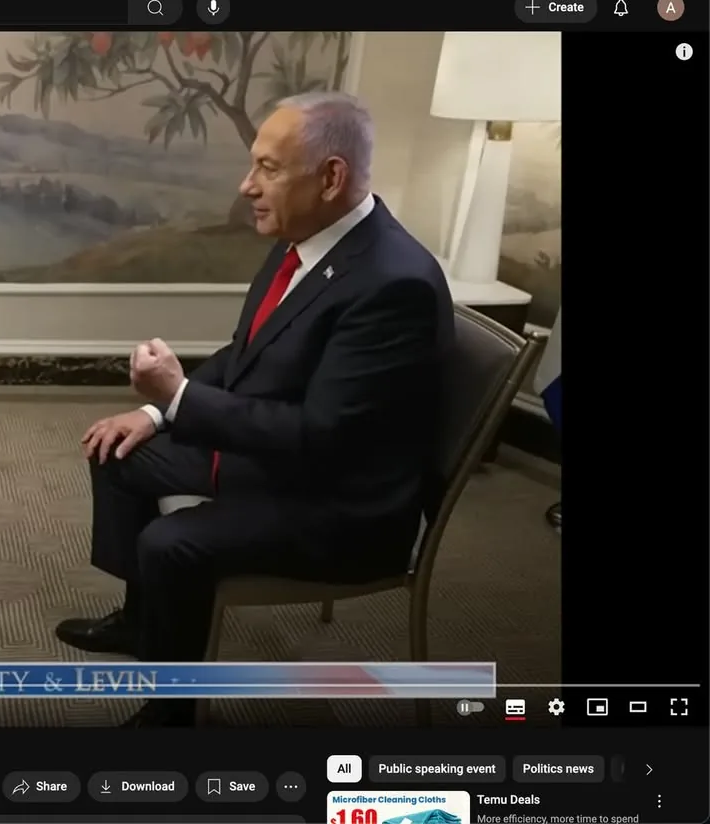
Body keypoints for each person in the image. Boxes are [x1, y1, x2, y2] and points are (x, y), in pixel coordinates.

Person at [57, 92, 454, 727]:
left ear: (331, 177)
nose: (248, 186)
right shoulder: (306, 238)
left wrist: (179, 397)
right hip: (282, 461)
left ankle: (169, 718)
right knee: (118, 451)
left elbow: (322, 437)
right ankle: (147, 624)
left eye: (269, 168)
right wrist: (156, 416)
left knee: (171, 543)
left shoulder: (392, 283)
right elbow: (243, 354)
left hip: (339, 507)